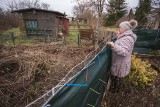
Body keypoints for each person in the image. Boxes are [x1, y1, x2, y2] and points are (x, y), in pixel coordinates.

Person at [107, 19, 138, 92]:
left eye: (120, 28)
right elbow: (122, 41)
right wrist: (119, 34)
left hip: (120, 64)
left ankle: (115, 93)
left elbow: (124, 52)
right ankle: (115, 91)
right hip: (120, 62)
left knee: (117, 79)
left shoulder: (127, 38)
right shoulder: (126, 36)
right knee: (116, 79)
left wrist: (114, 45)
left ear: (125, 29)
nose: (119, 28)